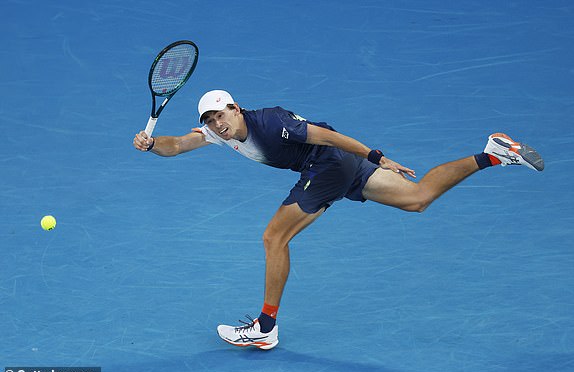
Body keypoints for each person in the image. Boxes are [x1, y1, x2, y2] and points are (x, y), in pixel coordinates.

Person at [133, 89, 544, 350]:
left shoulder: (273, 123)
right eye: (210, 121)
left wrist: (378, 157)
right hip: (337, 168)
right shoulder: (218, 134)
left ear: (236, 109)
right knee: (417, 199)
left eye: (221, 115)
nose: (217, 125)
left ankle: (265, 325)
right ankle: (493, 153)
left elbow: (328, 136)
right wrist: (152, 145)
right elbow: (178, 144)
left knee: (274, 238)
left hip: (328, 163)